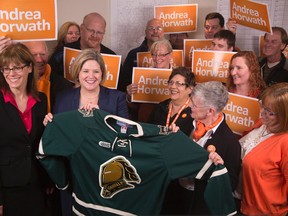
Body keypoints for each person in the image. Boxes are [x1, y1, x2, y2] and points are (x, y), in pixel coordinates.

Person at [43, 48, 129, 216]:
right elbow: (60, 137)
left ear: (102, 73)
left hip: (106, 174)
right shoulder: (63, 98)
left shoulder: (116, 98)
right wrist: (49, 125)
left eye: (96, 71)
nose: (91, 76)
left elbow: (126, 132)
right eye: (86, 71)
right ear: (78, 73)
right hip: (72, 174)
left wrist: (101, 118)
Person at [172, 81, 242, 215]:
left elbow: (229, 185)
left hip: (199, 205)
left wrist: (217, 168)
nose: (190, 105)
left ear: (210, 111)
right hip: (175, 195)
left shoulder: (230, 143)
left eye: (195, 104)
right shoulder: (187, 117)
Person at [0, 43, 49, 216]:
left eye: (17, 68)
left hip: (36, 183)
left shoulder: (41, 100)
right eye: (6, 69)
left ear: (29, 68)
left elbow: (41, 143)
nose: (11, 74)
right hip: (6, 188)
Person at [235, 83, 288, 215]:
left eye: (270, 112)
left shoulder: (285, 142)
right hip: (240, 202)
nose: (263, 114)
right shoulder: (261, 124)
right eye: (262, 106)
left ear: (285, 115)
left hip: (264, 211)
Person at [49, 12, 117, 77]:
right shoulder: (62, 53)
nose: (95, 35)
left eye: (99, 32)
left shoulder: (113, 58)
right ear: (81, 29)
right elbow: (50, 80)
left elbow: (120, 88)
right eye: (91, 30)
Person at [126, 39, 173, 122]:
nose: (157, 58)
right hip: (146, 120)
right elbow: (133, 106)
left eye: (162, 55)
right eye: (154, 55)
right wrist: (130, 96)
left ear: (170, 55)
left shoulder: (177, 76)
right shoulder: (142, 75)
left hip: (169, 120)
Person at [23, 41, 73, 112]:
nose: (39, 60)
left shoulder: (63, 84)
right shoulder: (16, 82)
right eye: (34, 55)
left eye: (43, 54)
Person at [118, 18, 165, 92]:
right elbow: (123, 81)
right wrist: (127, 89)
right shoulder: (133, 54)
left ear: (163, 32)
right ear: (146, 32)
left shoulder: (171, 55)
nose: (155, 31)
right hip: (139, 101)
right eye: (151, 28)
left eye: (158, 28)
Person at [149, 67, 195, 136]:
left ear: (190, 89)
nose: (173, 87)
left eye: (178, 84)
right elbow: (149, 131)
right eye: (171, 82)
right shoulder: (161, 107)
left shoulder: (195, 112)